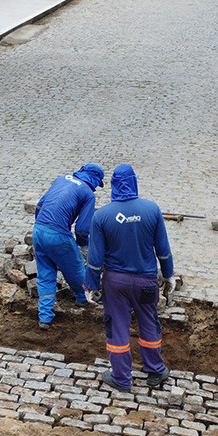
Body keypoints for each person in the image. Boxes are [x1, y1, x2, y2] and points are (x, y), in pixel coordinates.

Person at [84, 164, 174, 392]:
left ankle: (122, 378)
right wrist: (169, 274)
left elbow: (95, 258)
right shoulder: (152, 210)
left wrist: (91, 285)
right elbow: (163, 249)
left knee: (117, 328)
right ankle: (155, 370)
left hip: (115, 284)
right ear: (134, 182)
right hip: (146, 282)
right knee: (149, 323)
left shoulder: (102, 216)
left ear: (113, 185)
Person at [32, 164, 105, 330]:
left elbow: (39, 206)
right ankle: (83, 298)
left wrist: (41, 225)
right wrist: (83, 246)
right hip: (58, 235)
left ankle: (45, 317)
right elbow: (83, 229)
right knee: (76, 267)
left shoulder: (61, 179)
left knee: (45, 274)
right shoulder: (87, 194)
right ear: (95, 179)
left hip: (38, 230)